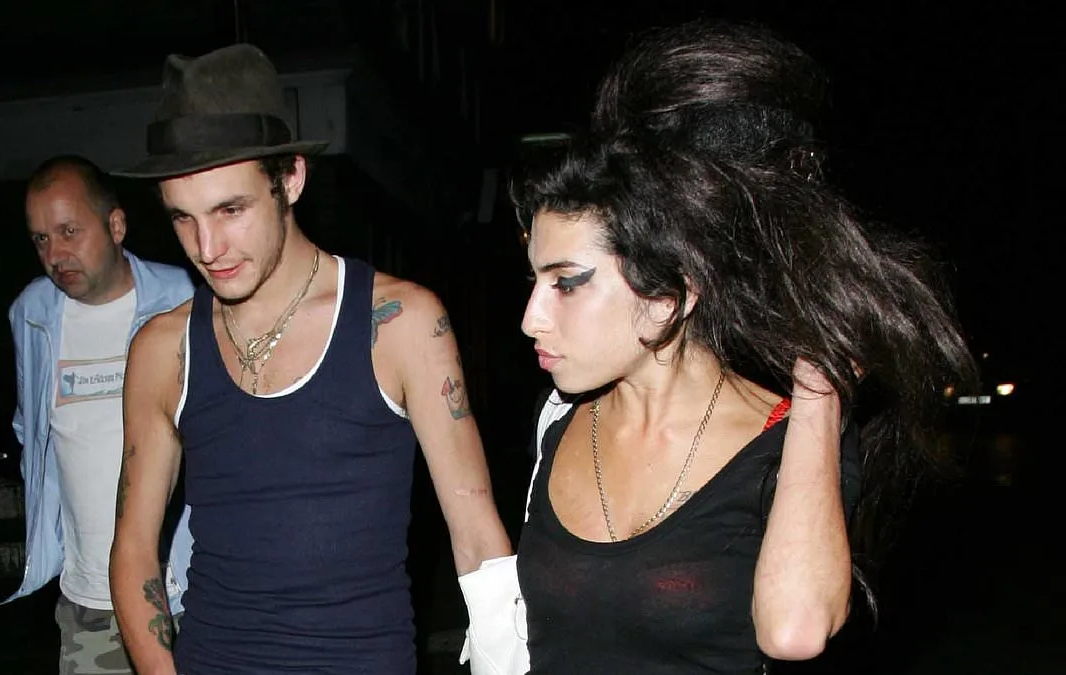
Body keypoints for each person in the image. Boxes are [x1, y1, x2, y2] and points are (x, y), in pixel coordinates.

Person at [508, 20, 976, 674]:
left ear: (670, 293)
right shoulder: (556, 421)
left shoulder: (787, 439)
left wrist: (819, 383)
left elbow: (794, 631)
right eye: (533, 280)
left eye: (567, 283)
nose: (530, 318)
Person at [108, 44, 512, 674]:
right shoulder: (162, 348)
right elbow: (134, 547)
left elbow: (478, 537)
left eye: (231, 210)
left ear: (291, 178)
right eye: (182, 218)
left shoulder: (400, 323)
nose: (207, 247)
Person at [5, 155, 196, 674]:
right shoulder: (31, 314)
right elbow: (32, 432)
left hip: (184, 593)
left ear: (115, 225)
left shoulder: (184, 300)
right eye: (41, 238)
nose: (55, 254)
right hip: (88, 601)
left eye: (69, 231)